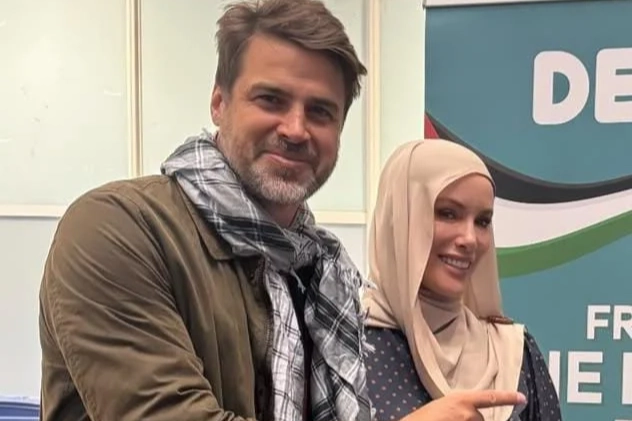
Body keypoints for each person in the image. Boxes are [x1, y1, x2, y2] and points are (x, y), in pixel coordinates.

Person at [38, 0, 372, 420]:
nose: (295, 129)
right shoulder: (117, 230)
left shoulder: (322, 272)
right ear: (219, 103)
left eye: (320, 111)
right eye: (271, 99)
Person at [362, 139, 562, 421]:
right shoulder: (340, 345)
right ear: (400, 218)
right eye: (448, 213)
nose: (470, 239)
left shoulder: (512, 352)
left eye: (482, 221)